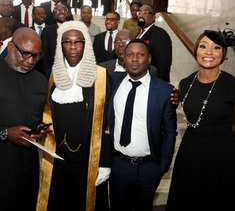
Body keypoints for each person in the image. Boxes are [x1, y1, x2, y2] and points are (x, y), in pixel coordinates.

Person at [36, 21, 112, 211]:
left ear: (86, 44)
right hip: (57, 158)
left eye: (78, 42)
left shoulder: (102, 76)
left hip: (87, 157)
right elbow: (46, 115)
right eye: (67, 42)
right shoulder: (51, 75)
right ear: (60, 45)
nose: (72, 47)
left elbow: (108, 123)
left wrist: (104, 163)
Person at [165, 29, 235, 211]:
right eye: (203, 46)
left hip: (222, 155)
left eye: (216, 48)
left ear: (224, 54)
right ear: (196, 50)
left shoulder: (231, 85)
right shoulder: (185, 83)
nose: (209, 52)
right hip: (190, 152)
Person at [108, 38, 177, 211]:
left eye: (141, 54)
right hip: (119, 165)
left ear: (149, 58)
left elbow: (170, 132)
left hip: (149, 167)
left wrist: (162, 166)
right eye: (130, 54)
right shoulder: (112, 81)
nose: (135, 59)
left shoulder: (164, 91)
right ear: (123, 58)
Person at [0, 27, 48, 210]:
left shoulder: (40, 80)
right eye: (25, 54)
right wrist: (5, 132)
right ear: (11, 47)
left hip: (27, 166)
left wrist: (40, 129)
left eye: (35, 56)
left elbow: (35, 116)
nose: (30, 61)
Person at [137, 4, 172, 82]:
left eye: (145, 12)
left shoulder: (160, 34)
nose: (141, 15)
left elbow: (164, 63)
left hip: (153, 82)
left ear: (153, 17)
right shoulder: (138, 35)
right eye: (139, 12)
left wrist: (160, 85)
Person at [40, 3, 73, 75]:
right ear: (54, 16)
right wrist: (47, 72)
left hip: (72, 70)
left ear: (68, 13)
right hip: (53, 71)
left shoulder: (75, 29)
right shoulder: (47, 31)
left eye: (63, 10)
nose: (61, 12)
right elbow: (44, 54)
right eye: (57, 11)